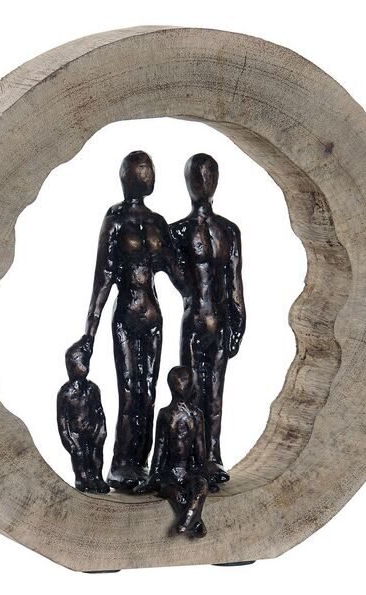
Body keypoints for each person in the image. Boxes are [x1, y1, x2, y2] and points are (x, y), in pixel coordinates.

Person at [83, 151, 184, 491]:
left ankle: (143, 462)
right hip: (126, 314)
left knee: (149, 389)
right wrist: (89, 334)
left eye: (149, 169)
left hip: (152, 314)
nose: (147, 175)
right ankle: (122, 463)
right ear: (126, 175)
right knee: (129, 389)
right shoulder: (115, 220)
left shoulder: (157, 222)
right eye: (141, 170)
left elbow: (178, 273)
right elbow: (102, 279)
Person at [169, 153, 246, 485]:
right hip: (194, 319)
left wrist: (239, 322)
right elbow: (174, 274)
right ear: (187, 183)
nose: (203, 183)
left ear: (217, 181)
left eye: (209, 176)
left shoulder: (228, 231)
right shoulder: (177, 231)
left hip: (219, 320)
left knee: (214, 392)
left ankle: (212, 456)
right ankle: (190, 457)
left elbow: (234, 282)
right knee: (189, 390)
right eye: (197, 177)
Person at [134, 366, 211, 537]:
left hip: (189, 472)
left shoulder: (196, 415)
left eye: (185, 381)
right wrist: (153, 477)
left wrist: (204, 476)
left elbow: (200, 453)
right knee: (176, 494)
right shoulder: (165, 414)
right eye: (179, 382)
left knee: (201, 487)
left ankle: (185, 523)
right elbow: (159, 450)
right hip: (168, 474)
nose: (182, 386)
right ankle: (195, 523)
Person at [57, 337, 109, 494]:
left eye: (85, 362)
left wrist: (101, 429)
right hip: (75, 435)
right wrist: (68, 439)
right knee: (80, 457)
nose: (84, 366)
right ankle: (83, 479)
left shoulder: (92, 389)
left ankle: (97, 478)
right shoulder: (65, 393)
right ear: (71, 365)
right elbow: (62, 420)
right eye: (81, 362)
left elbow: (99, 411)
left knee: (96, 455)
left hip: (93, 431)